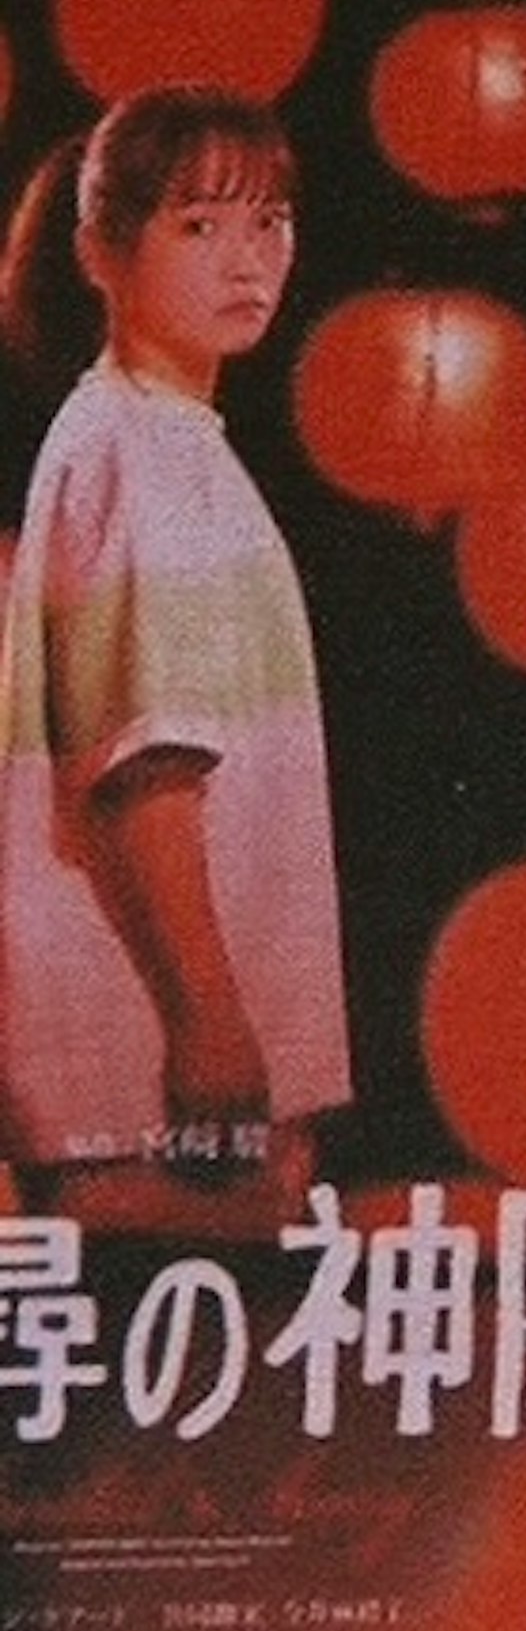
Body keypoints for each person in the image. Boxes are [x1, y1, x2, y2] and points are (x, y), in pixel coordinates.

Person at [0, 89, 347, 1230]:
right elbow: (150, 763)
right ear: (102, 249)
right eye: (198, 225)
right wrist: (210, 1020)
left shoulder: (157, 438)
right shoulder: (135, 453)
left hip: (152, 1055)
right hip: (146, 1059)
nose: (248, 260)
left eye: (272, 220)